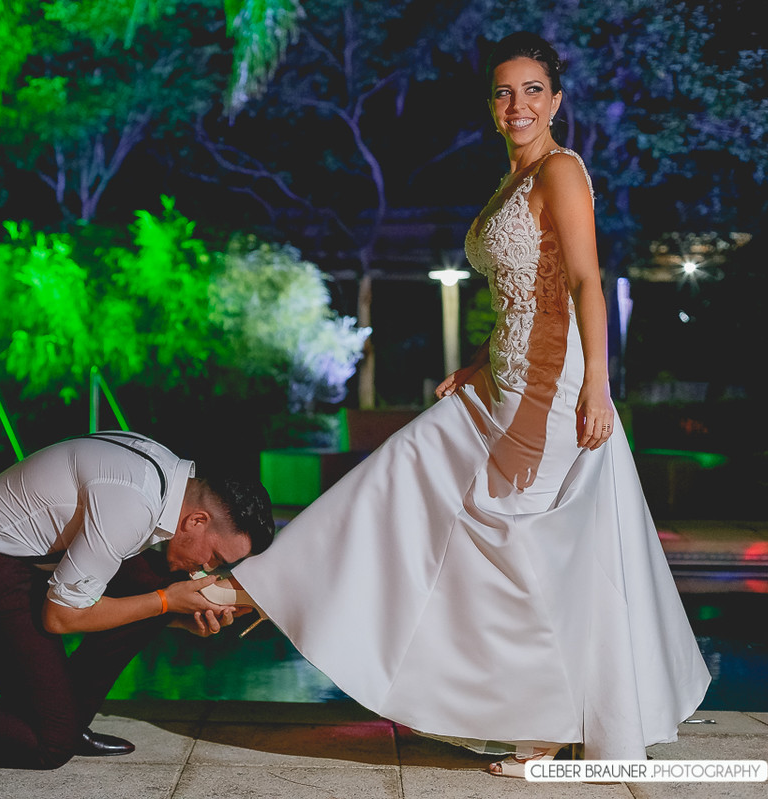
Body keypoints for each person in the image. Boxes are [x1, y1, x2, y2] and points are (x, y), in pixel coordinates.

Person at [209, 31, 711, 777]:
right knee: (400, 474)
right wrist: (476, 363)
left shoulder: (562, 171)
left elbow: (582, 285)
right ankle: (262, 585)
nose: (518, 104)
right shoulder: (510, 181)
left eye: (533, 90)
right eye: (505, 91)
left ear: (557, 101)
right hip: (501, 380)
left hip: (556, 387)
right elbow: (522, 293)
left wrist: (600, 385)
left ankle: (549, 720)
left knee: (518, 548)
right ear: (492, 104)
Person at [0, 430, 275, 769]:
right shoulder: (133, 502)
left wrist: (176, 613)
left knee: (155, 589)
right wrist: (164, 603)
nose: (207, 570)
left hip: (23, 561)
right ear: (196, 520)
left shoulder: (165, 475)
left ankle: (68, 714)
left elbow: (139, 595)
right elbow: (60, 618)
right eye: (215, 557)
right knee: (49, 745)